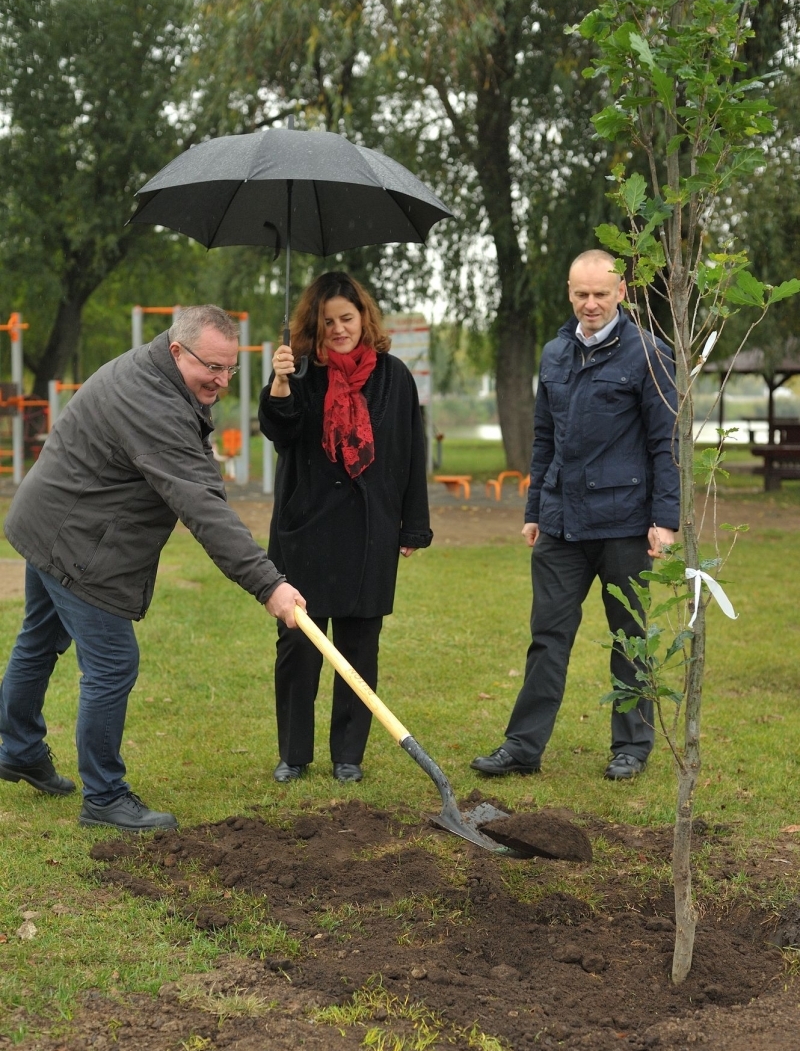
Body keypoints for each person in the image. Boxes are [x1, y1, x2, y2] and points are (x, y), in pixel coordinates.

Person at [0, 306, 305, 831]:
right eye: (211, 367)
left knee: (38, 639)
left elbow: (192, 472)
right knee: (113, 663)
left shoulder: (154, 370)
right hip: (76, 540)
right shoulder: (152, 403)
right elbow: (201, 505)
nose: (221, 380)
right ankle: (104, 797)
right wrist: (269, 585)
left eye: (229, 368)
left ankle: (19, 749)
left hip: (51, 520)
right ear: (177, 351)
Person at [471, 250, 679, 782]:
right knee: (547, 636)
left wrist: (666, 520)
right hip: (561, 523)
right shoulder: (555, 353)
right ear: (569, 292)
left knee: (629, 639)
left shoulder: (649, 354)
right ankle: (522, 747)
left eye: (601, 294)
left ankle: (631, 747)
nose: (590, 304)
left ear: (621, 293)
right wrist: (535, 510)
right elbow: (544, 438)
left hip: (625, 525)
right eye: (581, 294)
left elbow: (666, 443)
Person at [259, 271, 432, 785]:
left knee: (359, 646)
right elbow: (280, 432)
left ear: (364, 318)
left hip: (369, 531)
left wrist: (413, 526)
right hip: (305, 530)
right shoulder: (299, 371)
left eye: (347, 318)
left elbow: (411, 451)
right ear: (314, 325)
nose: (338, 329)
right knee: (298, 647)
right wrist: (281, 384)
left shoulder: (394, 377)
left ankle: (348, 756)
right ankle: (294, 755)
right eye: (328, 321)